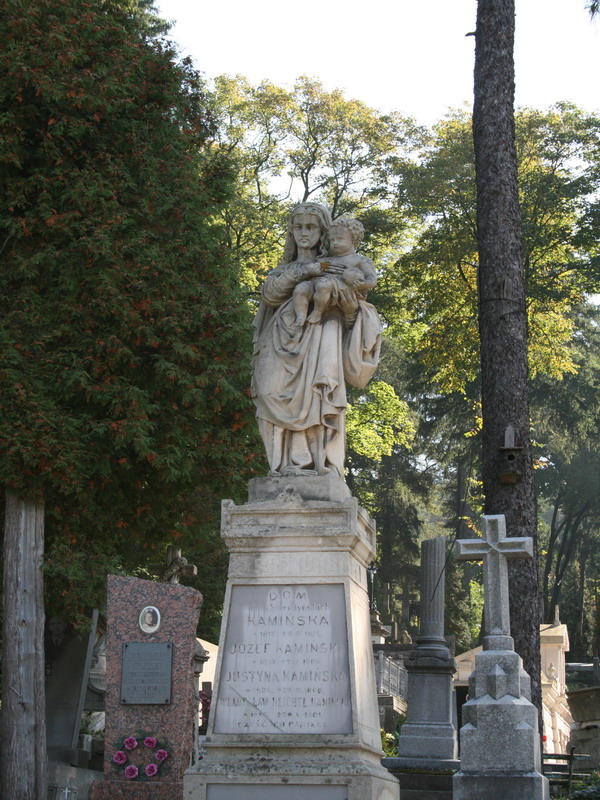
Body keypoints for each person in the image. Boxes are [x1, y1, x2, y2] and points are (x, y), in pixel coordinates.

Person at [251, 203, 381, 478]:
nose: (303, 233)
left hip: (322, 335)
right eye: (298, 227)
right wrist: (307, 270)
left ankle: (316, 465)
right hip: (279, 337)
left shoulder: (338, 265)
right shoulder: (284, 268)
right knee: (268, 390)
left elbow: (356, 311)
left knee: (318, 396)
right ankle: (279, 465)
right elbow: (271, 295)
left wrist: (349, 309)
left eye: (311, 227)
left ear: (323, 232)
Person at [291, 217, 377, 327]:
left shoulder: (359, 260)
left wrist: (363, 284)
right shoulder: (327, 259)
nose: (335, 243)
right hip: (317, 284)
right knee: (301, 288)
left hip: (340, 288)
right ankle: (300, 315)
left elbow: (372, 279)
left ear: (354, 239)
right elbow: (320, 268)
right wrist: (314, 268)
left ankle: (318, 311)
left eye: (340, 239)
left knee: (323, 285)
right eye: (332, 240)